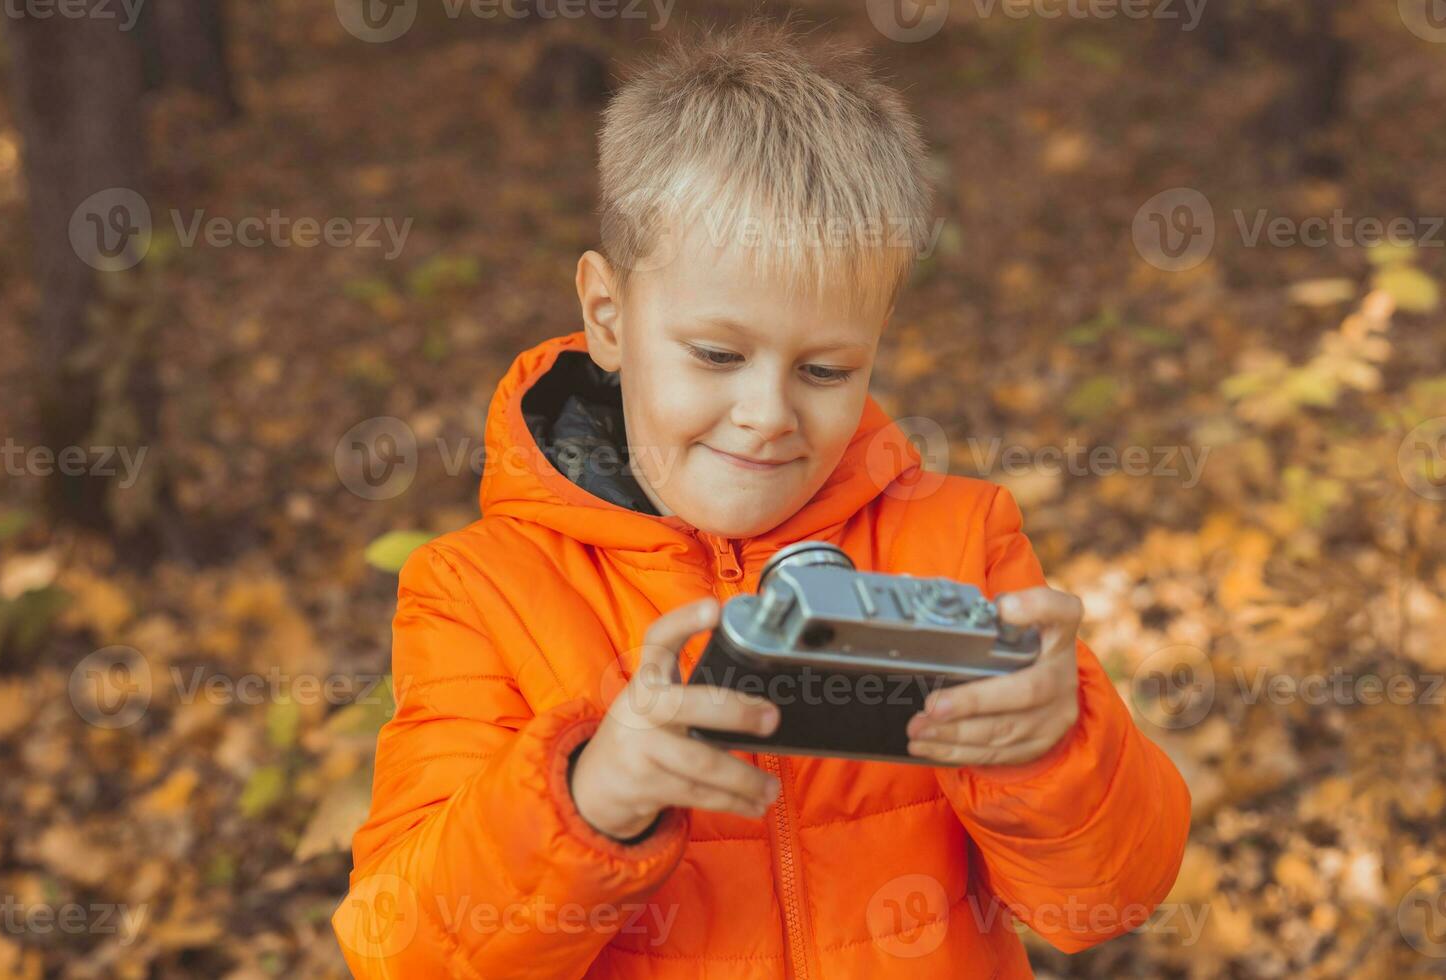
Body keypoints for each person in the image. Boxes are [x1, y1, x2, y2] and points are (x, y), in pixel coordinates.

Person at [333, 18, 1191, 979]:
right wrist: (589, 795)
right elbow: (403, 953)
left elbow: (1104, 896)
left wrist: (1051, 747)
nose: (766, 414)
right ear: (608, 315)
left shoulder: (957, 541)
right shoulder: (479, 595)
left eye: (825, 369)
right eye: (717, 355)